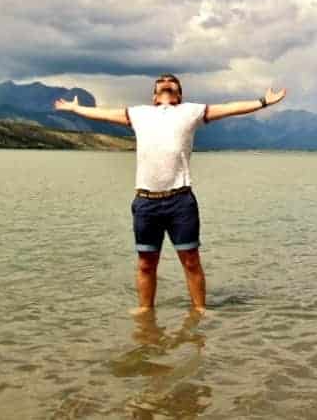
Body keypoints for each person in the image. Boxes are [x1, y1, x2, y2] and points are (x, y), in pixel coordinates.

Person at [54, 73, 287, 314]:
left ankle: (200, 311)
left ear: (179, 94)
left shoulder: (190, 112)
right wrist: (76, 108)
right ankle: (145, 312)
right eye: (161, 82)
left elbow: (228, 108)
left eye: (171, 81)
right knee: (146, 263)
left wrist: (263, 102)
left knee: (191, 261)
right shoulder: (139, 114)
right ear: (154, 96)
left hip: (180, 201)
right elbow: (104, 113)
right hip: (146, 201)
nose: (166, 81)